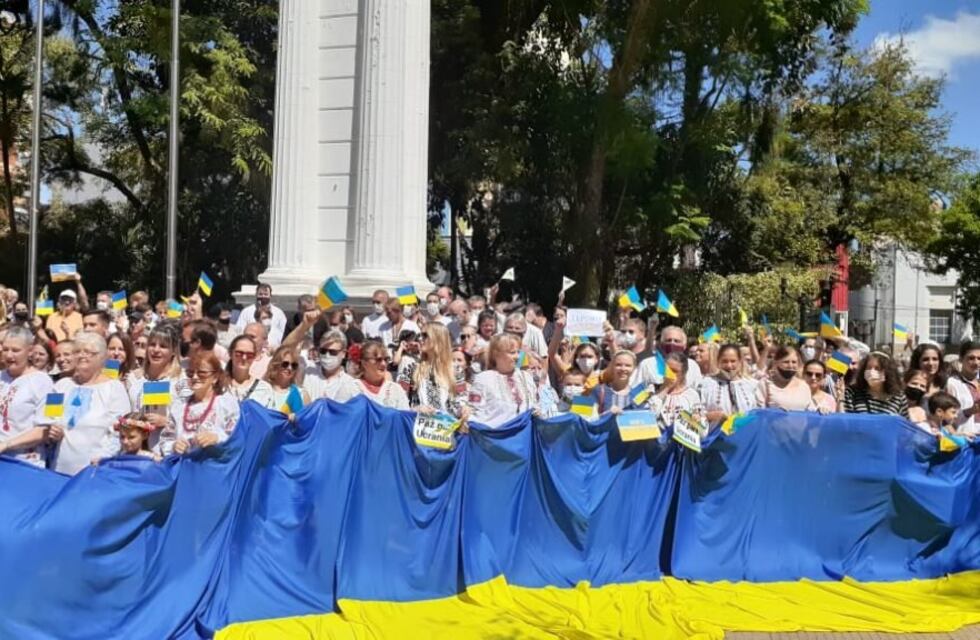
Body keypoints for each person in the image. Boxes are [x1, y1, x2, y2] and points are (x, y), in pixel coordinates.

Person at [47, 332, 131, 474]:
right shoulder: (60, 386)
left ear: (102, 357)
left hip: (95, 472)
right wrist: (51, 431)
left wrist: (102, 460)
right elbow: (48, 419)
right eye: (77, 351)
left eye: (88, 352)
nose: (82, 356)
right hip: (58, 470)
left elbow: (119, 433)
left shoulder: (114, 389)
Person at [161, 351, 240, 456]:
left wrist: (217, 438)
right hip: (183, 463)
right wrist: (174, 446)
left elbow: (238, 440)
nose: (195, 377)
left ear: (215, 377)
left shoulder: (227, 404)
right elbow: (166, 439)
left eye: (202, 373)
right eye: (190, 373)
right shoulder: (179, 407)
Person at [0, 327, 56, 467]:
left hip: (25, 462)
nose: (9, 355)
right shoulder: (1, 376)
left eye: (15, 350)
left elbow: (45, 430)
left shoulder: (44, 382)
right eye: (5, 349)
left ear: (30, 351)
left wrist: (6, 444)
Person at [397, 323, 467, 419]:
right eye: (420, 335)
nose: (420, 339)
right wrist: (415, 409)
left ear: (438, 339)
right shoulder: (411, 367)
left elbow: (462, 399)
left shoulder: (456, 370)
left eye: (425, 335)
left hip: (447, 425)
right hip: (418, 423)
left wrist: (463, 410)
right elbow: (399, 397)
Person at [469, 334, 538, 427]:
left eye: (518, 352)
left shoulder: (526, 377)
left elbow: (535, 405)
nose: (517, 357)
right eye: (512, 352)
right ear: (496, 354)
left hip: (525, 434)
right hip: (495, 434)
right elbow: (475, 412)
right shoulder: (483, 379)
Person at [700, 344, 760, 425]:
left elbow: (760, 414)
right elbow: (695, 415)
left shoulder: (752, 385)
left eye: (733, 361)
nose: (729, 366)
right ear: (718, 361)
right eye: (724, 361)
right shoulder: (706, 384)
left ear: (740, 362)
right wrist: (709, 416)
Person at [300, 329, 361, 402]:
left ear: (343, 354)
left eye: (333, 352)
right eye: (323, 351)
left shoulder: (350, 384)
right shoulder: (308, 371)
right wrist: (304, 326)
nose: (327, 355)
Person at [634, 326, 703, 390]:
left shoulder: (692, 365)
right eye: (668, 340)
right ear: (661, 344)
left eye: (676, 341)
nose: (672, 343)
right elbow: (636, 390)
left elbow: (698, 389)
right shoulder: (647, 364)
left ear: (684, 346)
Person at [842, 352, 908, 417]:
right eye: (868, 367)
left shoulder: (899, 398)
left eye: (877, 368)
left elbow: (904, 422)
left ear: (887, 372)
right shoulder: (852, 393)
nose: (872, 371)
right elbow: (845, 419)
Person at [652, 352, 705, 427]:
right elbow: (649, 415)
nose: (669, 374)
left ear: (683, 373)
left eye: (674, 371)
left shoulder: (692, 395)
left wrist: (697, 419)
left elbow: (702, 424)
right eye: (667, 369)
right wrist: (665, 388)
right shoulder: (652, 390)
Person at [756, 346, 814, 411]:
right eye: (786, 362)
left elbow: (811, 410)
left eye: (794, 362)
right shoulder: (765, 384)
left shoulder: (804, 386)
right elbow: (759, 411)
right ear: (776, 363)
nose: (790, 366)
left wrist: (820, 410)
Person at [225, 335, 275, 408]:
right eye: (239, 353)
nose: (244, 358)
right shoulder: (218, 384)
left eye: (249, 355)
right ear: (230, 353)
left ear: (255, 357)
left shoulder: (264, 389)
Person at [357, 341, 409, 409]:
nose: (383, 364)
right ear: (364, 363)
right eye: (378, 360)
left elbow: (404, 414)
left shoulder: (396, 390)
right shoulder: (352, 389)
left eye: (386, 359)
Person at [234, 283, 287, 348]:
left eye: (266, 294)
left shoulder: (279, 313)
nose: (263, 296)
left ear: (270, 296)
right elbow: (239, 331)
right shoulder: (246, 312)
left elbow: (284, 332)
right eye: (260, 294)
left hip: (274, 349)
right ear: (256, 294)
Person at [944, 341, 980, 436]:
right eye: (971, 358)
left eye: (979, 358)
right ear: (961, 359)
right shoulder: (952, 383)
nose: (976, 362)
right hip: (966, 438)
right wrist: (969, 411)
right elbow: (945, 418)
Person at [588, 350, 638, 414]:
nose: (623, 369)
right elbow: (586, 416)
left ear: (634, 368)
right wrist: (607, 414)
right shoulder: (598, 390)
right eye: (618, 365)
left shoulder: (637, 393)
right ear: (612, 366)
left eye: (628, 365)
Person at [263, 345, 311, 411]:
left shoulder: (302, 394)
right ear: (275, 365)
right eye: (285, 364)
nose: (289, 368)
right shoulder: (263, 389)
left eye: (294, 365)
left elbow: (308, 416)